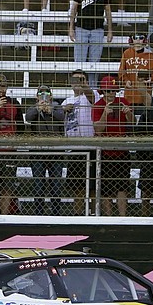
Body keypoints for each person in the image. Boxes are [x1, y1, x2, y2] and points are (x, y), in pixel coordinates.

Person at [92, 75, 134, 216]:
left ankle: (122, 217)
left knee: (122, 187)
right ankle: (109, 218)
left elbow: (132, 123)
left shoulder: (123, 102)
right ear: (102, 91)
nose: (110, 93)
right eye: (108, 90)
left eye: (113, 90)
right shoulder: (98, 105)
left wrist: (128, 114)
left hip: (121, 150)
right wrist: (105, 113)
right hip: (105, 151)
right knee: (106, 188)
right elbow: (98, 129)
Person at [62, 69, 101, 214]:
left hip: (90, 146)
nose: (78, 82)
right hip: (73, 148)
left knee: (91, 187)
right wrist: (63, 110)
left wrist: (84, 85)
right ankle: (77, 215)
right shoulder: (66, 101)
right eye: (75, 80)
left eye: (82, 79)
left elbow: (91, 97)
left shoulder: (92, 95)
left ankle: (93, 214)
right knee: (76, 187)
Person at [0, 73, 24, 215]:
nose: (0, 89)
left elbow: (21, 126)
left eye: (3, 86)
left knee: (7, 186)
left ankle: (5, 215)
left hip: (9, 150)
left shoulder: (14, 103)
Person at [25, 84, 65, 215]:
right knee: (38, 185)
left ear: (51, 95)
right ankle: (39, 213)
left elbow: (62, 117)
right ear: (37, 96)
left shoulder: (57, 106)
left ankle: (56, 213)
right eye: (41, 94)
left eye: (47, 94)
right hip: (38, 152)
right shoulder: (33, 107)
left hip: (56, 151)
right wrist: (39, 109)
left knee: (56, 186)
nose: (44, 96)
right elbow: (28, 117)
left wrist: (50, 111)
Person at [68, 0, 113, 88]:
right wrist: (71, 28)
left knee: (95, 63)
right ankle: (78, 88)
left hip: (98, 30)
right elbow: (74, 10)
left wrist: (110, 30)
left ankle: (92, 88)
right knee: (79, 62)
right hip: (81, 29)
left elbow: (108, 11)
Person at [118, 33, 153, 132]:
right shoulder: (126, 53)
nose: (138, 40)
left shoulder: (149, 55)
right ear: (131, 39)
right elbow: (121, 72)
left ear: (144, 40)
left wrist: (150, 80)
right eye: (135, 38)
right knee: (130, 125)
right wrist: (126, 81)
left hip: (144, 98)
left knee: (144, 126)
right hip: (130, 97)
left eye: (141, 38)